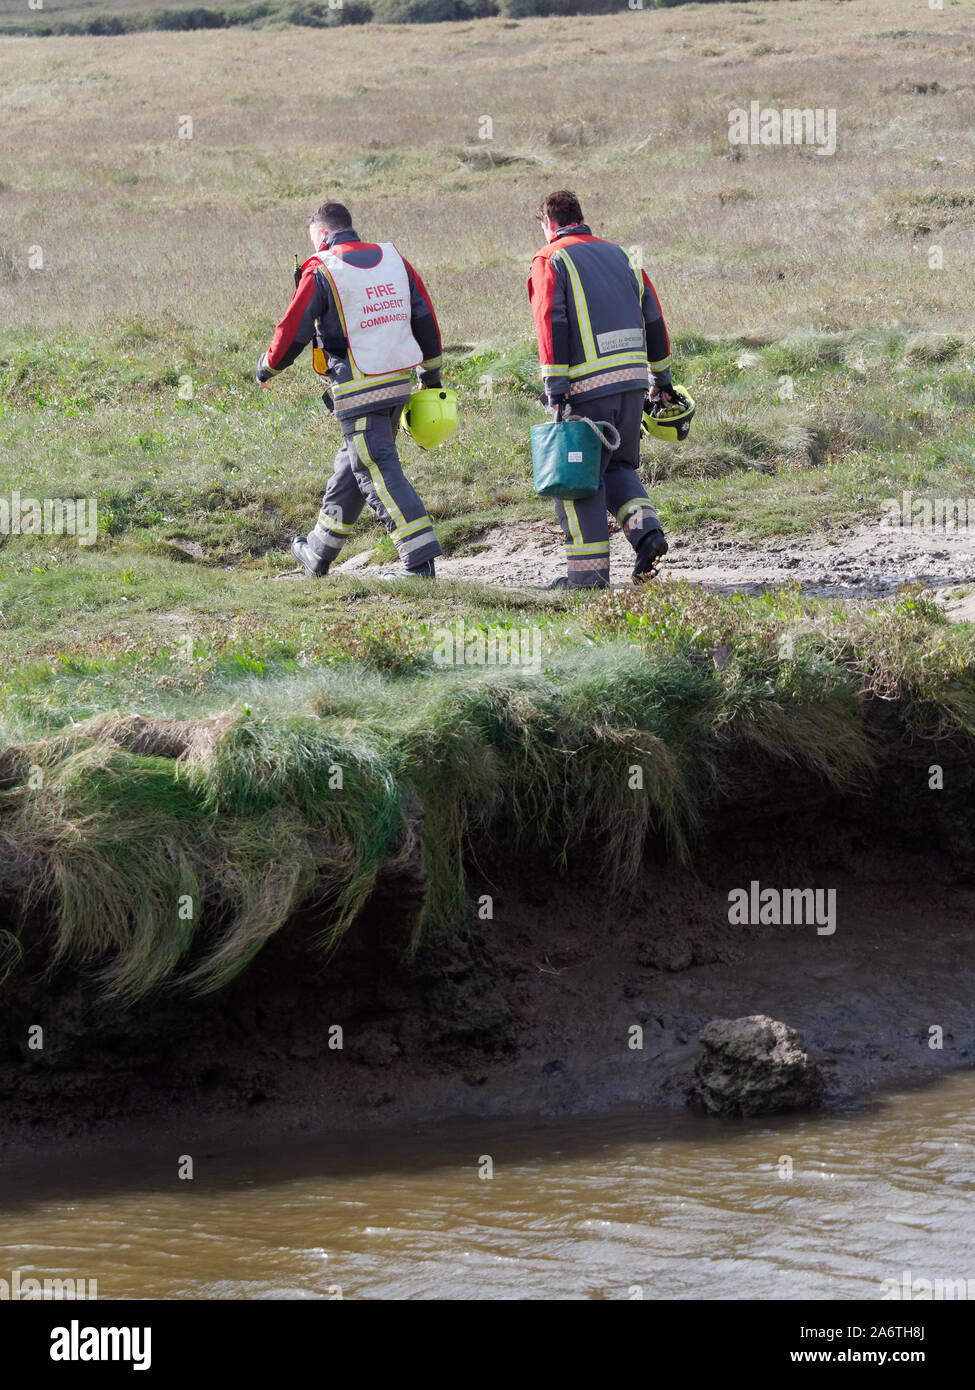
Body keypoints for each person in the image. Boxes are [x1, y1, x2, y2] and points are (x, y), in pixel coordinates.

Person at [256, 201, 443, 579]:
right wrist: (432, 375)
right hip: (398, 383)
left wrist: (267, 366)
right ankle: (318, 552)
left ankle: (419, 562)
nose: (315, 249)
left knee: (375, 470)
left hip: (360, 391)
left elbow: (293, 330)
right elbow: (424, 316)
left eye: (314, 241)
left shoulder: (322, 269)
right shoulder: (394, 260)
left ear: (323, 234)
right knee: (351, 468)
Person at [528, 190, 674, 589]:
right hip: (631, 385)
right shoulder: (623, 256)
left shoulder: (550, 259)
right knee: (617, 467)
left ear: (549, 223)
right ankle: (648, 536)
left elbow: (549, 320)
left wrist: (556, 388)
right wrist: (662, 380)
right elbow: (654, 318)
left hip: (585, 390)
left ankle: (587, 580)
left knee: (577, 479)